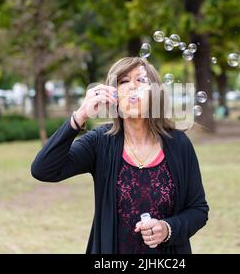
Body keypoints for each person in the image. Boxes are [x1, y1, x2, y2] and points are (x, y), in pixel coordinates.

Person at [31, 57, 209, 254]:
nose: (132, 87)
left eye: (141, 80)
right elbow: (43, 170)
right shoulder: (100, 142)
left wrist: (167, 229)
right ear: (113, 96)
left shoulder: (178, 144)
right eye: (123, 81)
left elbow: (198, 210)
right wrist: (80, 115)